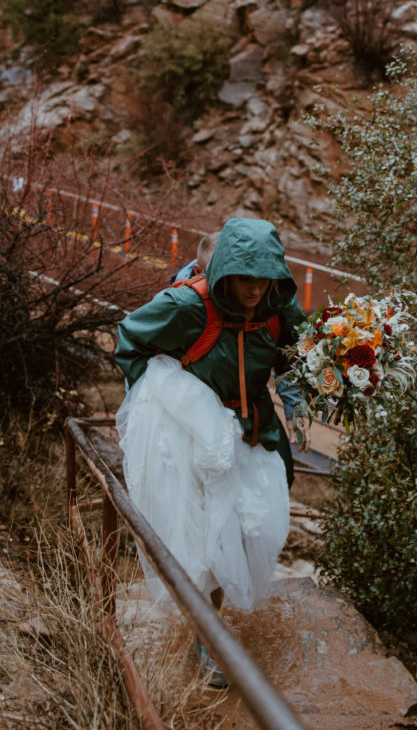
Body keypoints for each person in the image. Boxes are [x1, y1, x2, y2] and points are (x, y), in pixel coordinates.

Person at [115, 217, 309, 688]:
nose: (253, 289)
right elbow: (131, 340)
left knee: (244, 529)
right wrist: (160, 405)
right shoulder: (185, 305)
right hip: (192, 435)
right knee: (204, 536)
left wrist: (297, 403)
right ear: (223, 271)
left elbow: (297, 354)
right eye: (244, 277)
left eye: (262, 278)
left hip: (250, 428)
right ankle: (209, 639)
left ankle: (210, 625)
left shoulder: (279, 306)